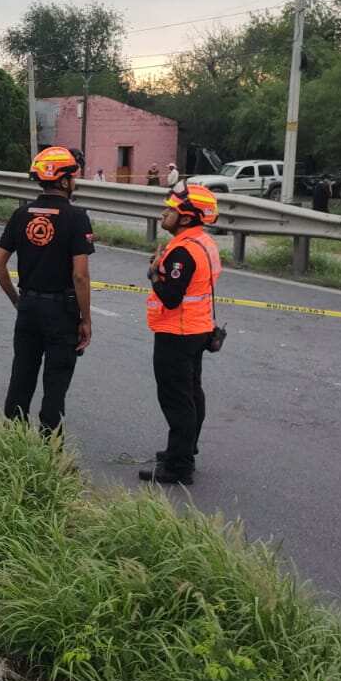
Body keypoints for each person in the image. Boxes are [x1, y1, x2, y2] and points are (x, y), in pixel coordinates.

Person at [0, 146, 94, 438]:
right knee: (55, 382)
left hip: (29, 308)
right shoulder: (77, 218)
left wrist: (17, 300)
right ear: (63, 180)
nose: (76, 182)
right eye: (74, 176)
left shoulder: (21, 214)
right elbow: (80, 275)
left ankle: (12, 442)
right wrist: (85, 319)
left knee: (21, 375)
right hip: (61, 311)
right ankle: (49, 453)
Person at [139, 183, 223, 486]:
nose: (164, 213)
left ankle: (178, 466)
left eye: (171, 210)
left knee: (177, 399)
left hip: (178, 330)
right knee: (191, 393)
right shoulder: (203, 242)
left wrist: (153, 273)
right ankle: (184, 449)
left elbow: (171, 297)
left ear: (186, 218)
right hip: (197, 329)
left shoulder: (183, 252)